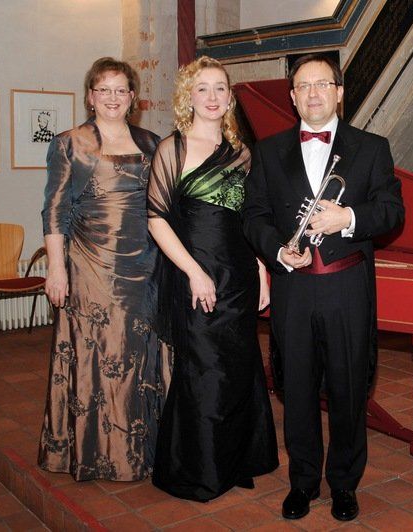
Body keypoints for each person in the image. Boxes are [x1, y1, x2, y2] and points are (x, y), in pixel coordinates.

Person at [243, 53, 404, 521]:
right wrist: (277, 250)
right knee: (296, 390)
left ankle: (344, 484)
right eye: (303, 86)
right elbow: (253, 216)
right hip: (294, 288)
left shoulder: (372, 148)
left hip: (346, 287)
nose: (313, 93)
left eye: (322, 84)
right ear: (293, 98)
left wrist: (347, 217)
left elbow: (392, 211)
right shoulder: (269, 151)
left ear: (339, 92)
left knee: (349, 390)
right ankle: (303, 481)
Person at [147, 55, 278, 502]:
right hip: (196, 275)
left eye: (220, 88)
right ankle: (200, 470)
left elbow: (249, 219)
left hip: (239, 275)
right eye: (202, 88)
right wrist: (193, 272)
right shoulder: (173, 148)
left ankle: (236, 460)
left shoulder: (242, 152)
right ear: (188, 96)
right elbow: (156, 220)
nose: (212, 96)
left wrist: (260, 268)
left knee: (239, 367)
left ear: (229, 97)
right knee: (204, 371)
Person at [38, 57, 163, 481]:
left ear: (133, 97)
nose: (112, 97)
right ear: (90, 96)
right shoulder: (69, 143)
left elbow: (165, 206)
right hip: (90, 266)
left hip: (146, 265)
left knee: (139, 353)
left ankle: (142, 450)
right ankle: (99, 452)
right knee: (101, 354)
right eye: (104, 89)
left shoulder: (152, 143)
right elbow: (54, 211)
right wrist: (56, 269)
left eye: (121, 90)